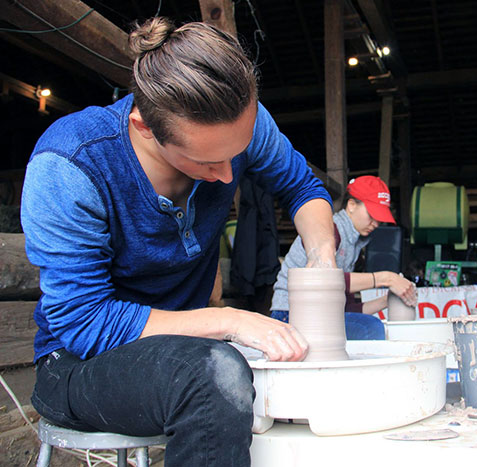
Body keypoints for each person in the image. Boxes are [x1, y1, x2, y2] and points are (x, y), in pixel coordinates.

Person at [20, 17, 337, 466]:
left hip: (189, 347)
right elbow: (83, 323)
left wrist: (322, 258)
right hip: (79, 362)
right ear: (145, 127)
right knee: (213, 376)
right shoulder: (71, 166)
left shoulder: (238, 127)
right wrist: (230, 320)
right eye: (207, 161)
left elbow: (303, 188)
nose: (229, 176)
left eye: (236, 154)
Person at [270, 176, 417, 339]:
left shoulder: (354, 242)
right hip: (290, 314)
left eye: (379, 219)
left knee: (369, 324)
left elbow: (347, 309)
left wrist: (388, 300)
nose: (375, 223)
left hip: (320, 314)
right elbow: (326, 280)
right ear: (352, 205)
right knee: (370, 328)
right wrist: (387, 279)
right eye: (372, 215)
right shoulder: (329, 231)